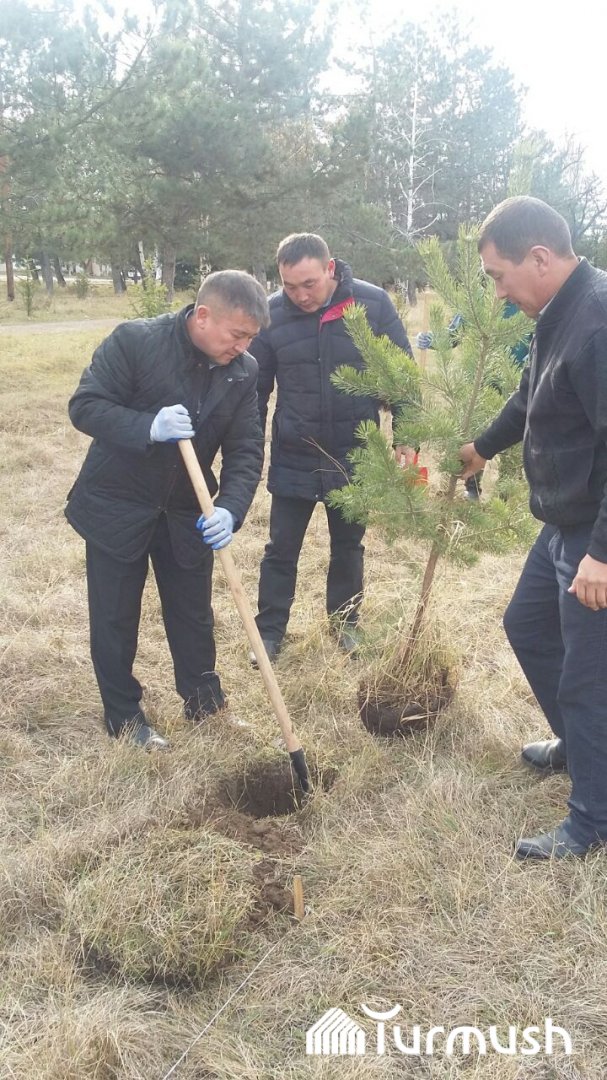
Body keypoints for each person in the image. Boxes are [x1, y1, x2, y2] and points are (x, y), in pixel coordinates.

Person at [460, 196, 607, 859]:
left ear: (540, 258)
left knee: (588, 679)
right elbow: (530, 395)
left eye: (499, 276)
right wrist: (482, 447)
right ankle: (581, 748)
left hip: (592, 534)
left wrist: (600, 554)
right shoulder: (555, 312)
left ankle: (591, 821)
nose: (497, 292)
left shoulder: (597, 322)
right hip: (560, 523)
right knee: (527, 626)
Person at [66, 271, 269, 749]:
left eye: (251, 338)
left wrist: (230, 509)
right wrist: (147, 426)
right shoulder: (136, 342)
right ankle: (124, 717)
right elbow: (85, 406)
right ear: (203, 316)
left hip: (185, 511)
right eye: (237, 334)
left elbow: (246, 449)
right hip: (117, 504)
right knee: (115, 616)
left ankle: (204, 705)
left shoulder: (243, 371)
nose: (243, 347)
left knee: (193, 614)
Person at [249, 233, 414, 661]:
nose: (301, 295)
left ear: (330, 268)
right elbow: (255, 389)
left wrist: (407, 436)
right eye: (290, 286)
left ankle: (345, 624)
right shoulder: (271, 314)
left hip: (353, 453)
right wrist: (247, 448)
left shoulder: (372, 304)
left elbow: (402, 374)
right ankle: (268, 633)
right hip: (294, 452)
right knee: (281, 549)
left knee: (348, 547)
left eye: (309, 284)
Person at [416, 304, 531, 498]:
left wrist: (533, 358)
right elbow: (454, 334)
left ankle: (506, 497)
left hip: (515, 384)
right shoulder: (476, 300)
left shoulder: (526, 303)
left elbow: (541, 337)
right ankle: (472, 489)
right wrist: (433, 339)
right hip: (480, 384)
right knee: (475, 436)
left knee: (513, 438)